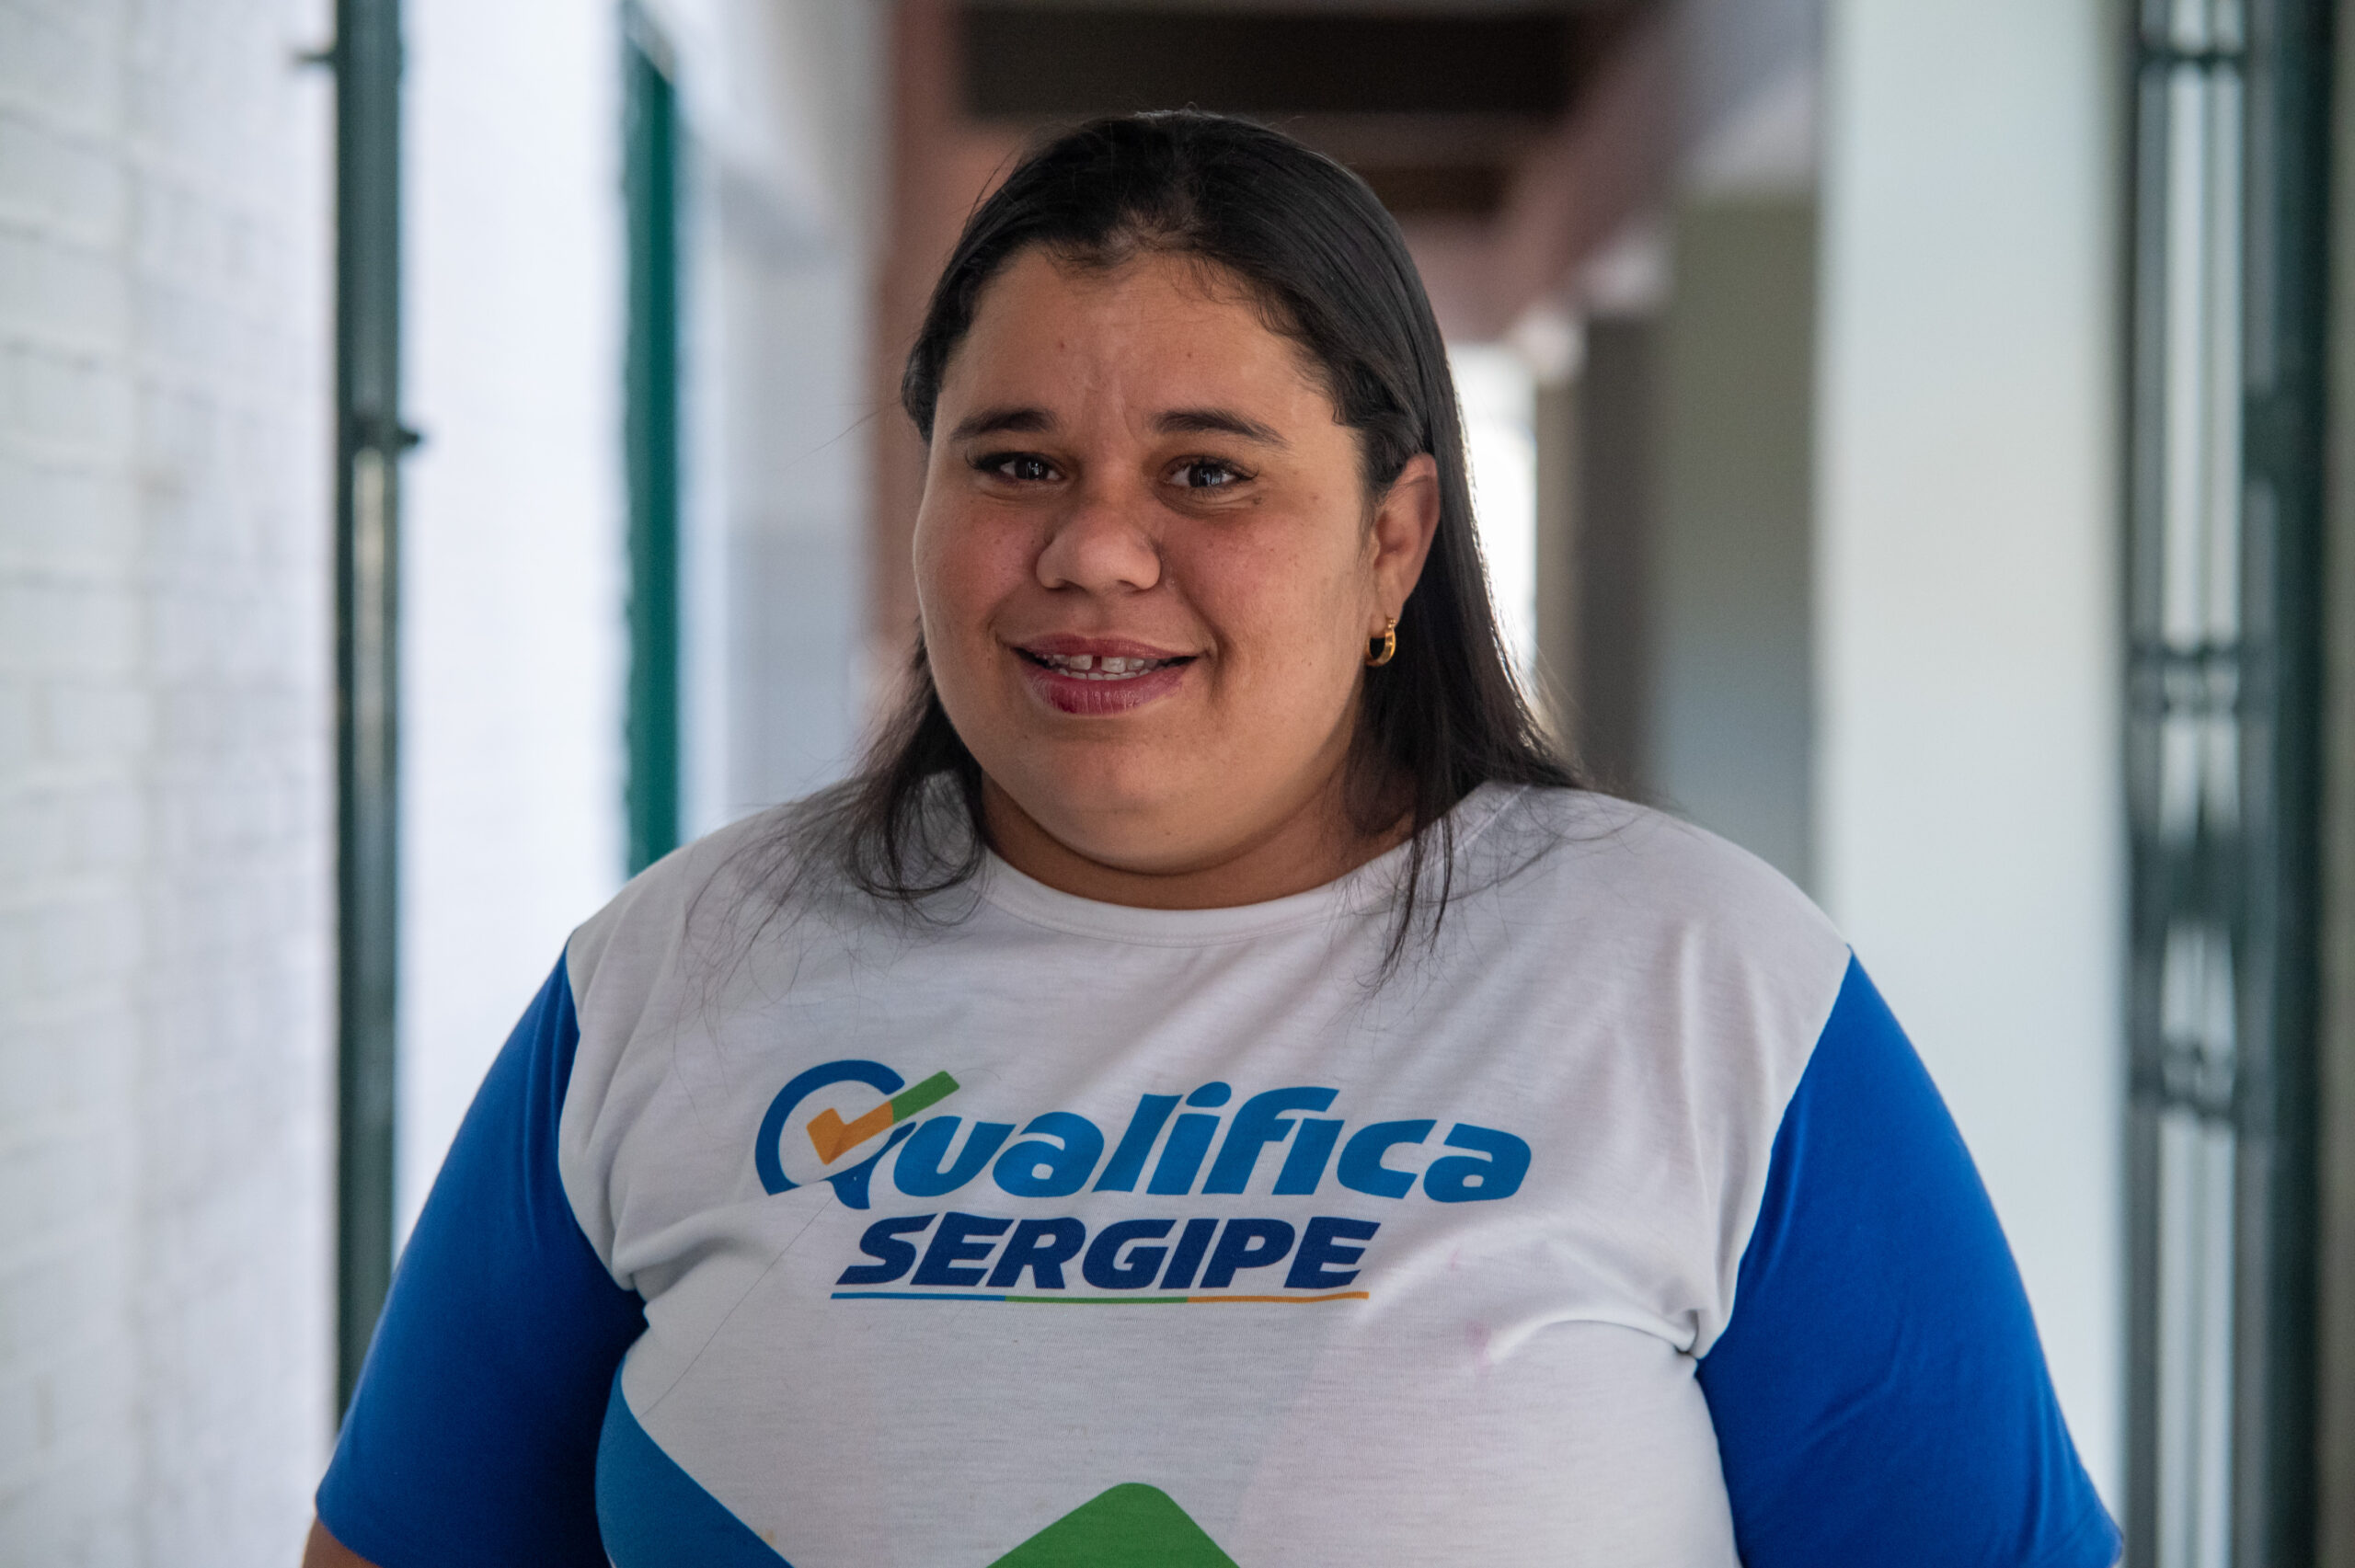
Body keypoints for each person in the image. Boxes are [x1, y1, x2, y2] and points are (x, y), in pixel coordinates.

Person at [306, 112, 2119, 1568]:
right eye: (1015, 461)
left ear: (1394, 539)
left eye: (1207, 472)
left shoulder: (1699, 984)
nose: (1094, 550)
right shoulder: (679, 967)